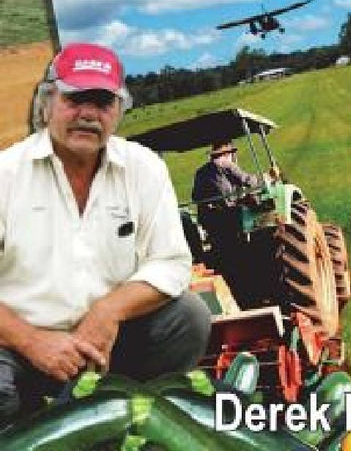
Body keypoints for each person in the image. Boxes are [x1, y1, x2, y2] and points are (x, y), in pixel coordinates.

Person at [0, 42, 211, 425]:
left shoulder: (143, 168)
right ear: (47, 103)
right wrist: (32, 341)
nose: (87, 114)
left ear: (118, 111)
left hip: (108, 346)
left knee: (188, 318)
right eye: (75, 99)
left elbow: (172, 263)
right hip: (17, 348)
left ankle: (139, 422)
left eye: (102, 102)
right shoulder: (6, 175)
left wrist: (108, 312)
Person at [192, 141, 261, 303]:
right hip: (229, 219)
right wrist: (262, 178)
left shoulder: (200, 172)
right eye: (229, 153)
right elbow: (247, 181)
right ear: (226, 154)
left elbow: (195, 197)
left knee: (222, 252)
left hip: (210, 222)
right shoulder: (227, 166)